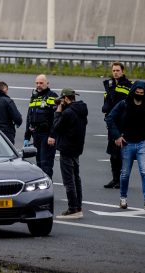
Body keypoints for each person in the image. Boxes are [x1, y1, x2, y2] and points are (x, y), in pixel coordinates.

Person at [106, 81, 145, 210]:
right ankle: (123, 198)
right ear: (133, 92)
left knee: (144, 171)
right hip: (127, 143)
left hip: (143, 143)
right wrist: (117, 136)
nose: (139, 94)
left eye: (142, 93)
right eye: (137, 92)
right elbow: (110, 118)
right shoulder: (124, 104)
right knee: (125, 173)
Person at [48, 88, 88, 219]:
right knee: (76, 178)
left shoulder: (68, 113)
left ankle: (72, 209)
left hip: (66, 149)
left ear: (65, 98)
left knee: (68, 180)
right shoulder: (81, 109)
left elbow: (56, 127)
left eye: (62, 100)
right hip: (77, 148)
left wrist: (58, 112)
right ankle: (78, 207)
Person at [101, 61, 133, 189]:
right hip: (111, 123)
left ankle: (122, 180)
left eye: (118, 70)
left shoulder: (128, 86)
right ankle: (115, 179)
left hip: (123, 124)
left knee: (122, 154)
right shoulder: (109, 85)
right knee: (113, 154)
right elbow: (107, 102)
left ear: (122, 71)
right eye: (113, 70)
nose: (115, 72)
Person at [24, 74, 58, 178]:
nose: (38, 85)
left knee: (46, 165)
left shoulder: (52, 96)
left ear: (47, 83)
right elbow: (29, 117)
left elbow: (56, 118)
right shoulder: (34, 97)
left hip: (47, 135)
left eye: (41, 83)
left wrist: (52, 135)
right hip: (36, 135)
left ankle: (47, 189)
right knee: (39, 165)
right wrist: (27, 136)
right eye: (37, 83)